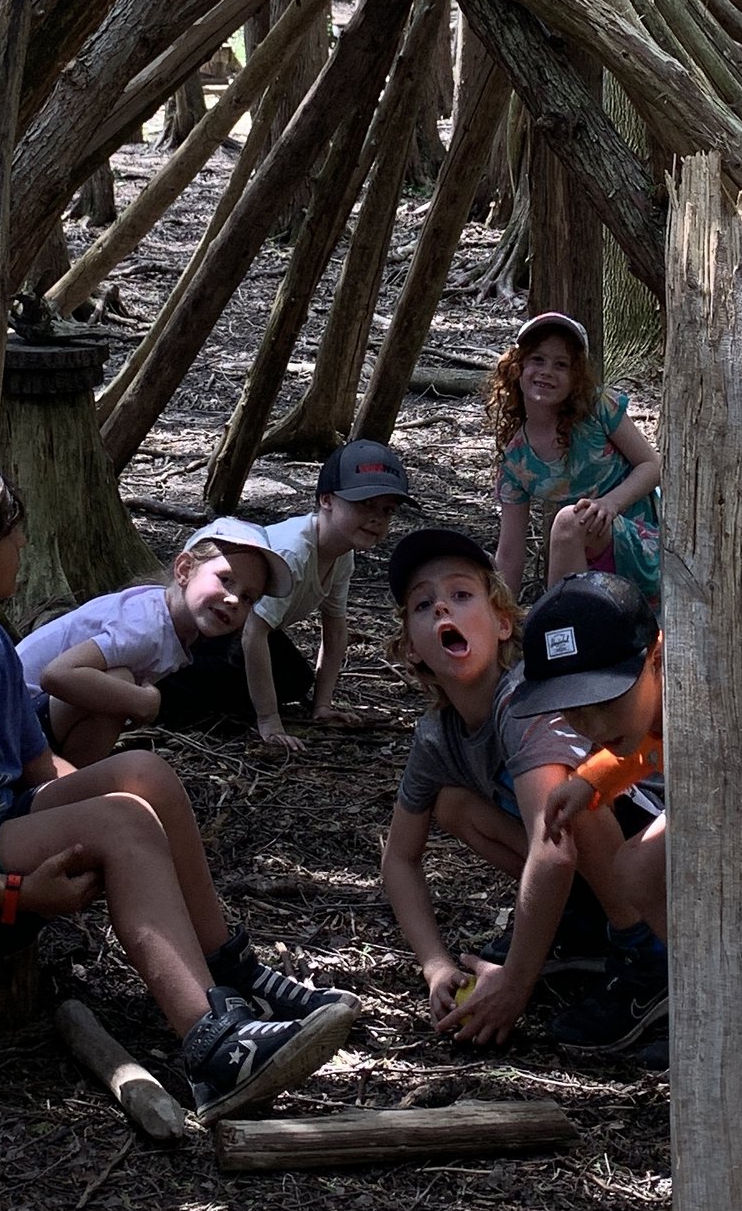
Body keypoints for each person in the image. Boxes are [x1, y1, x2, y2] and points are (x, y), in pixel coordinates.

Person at [0, 476, 356, 1116]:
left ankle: (230, 968)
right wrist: (20, 892)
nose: (24, 541)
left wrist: (80, 811)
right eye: (12, 533)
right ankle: (211, 1048)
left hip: (0, 823)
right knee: (123, 823)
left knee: (144, 773)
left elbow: (36, 768)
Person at [377, 523, 634, 1054]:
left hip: (648, 853)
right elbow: (399, 860)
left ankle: (645, 953)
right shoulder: (437, 735)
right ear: (412, 650)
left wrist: (516, 982)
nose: (442, 610)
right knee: (451, 805)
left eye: (461, 594)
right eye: (424, 606)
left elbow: (555, 851)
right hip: (588, 865)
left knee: (566, 806)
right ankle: (581, 926)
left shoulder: (524, 704)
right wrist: (436, 965)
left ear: (501, 623)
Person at [165, 440, 416, 748]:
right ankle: (161, 692)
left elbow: (335, 630)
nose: (376, 518)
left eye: (387, 510)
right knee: (217, 677)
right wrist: (269, 721)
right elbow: (252, 635)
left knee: (296, 680)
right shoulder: (294, 552)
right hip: (211, 623)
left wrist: (322, 705)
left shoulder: (341, 554)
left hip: (243, 627)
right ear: (326, 500)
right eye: (364, 504)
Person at [515, 570, 670, 1058]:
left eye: (605, 700)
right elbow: (646, 745)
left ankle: (702, 988)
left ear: (657, 657)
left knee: (638, 869)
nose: (594, 724)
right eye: (575, 711)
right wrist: (591, 780)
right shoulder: (655, 697)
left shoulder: (699, 695)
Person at [16, 517, 285, 768]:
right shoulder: (145, 625)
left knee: (121, 687)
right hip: (10, 722)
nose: (234, 600)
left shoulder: (171, 623)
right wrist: (143, 702)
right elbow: (56, 675)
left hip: (26, 722)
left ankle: (70, 781)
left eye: (249, 598)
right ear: (184, 569)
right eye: (225, 580)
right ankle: (67, 788)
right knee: (121, 682)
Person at [487, 313, 661, 601]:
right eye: (537, 360)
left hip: (646, 548)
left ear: (575, 377)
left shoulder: (597, 409)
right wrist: (501, 622)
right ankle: (568, 632)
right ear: (517, 368)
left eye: (561, 364)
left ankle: (560, 630)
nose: (546, 371)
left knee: (570, 520)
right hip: (582, 564)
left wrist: (609, 504)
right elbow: (509, 552)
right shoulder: (516, 459)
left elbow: (652, 465)